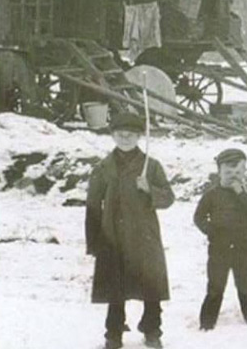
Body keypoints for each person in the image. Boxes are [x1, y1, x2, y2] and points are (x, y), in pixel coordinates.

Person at [85, 112, 175, 349]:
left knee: (151, 286)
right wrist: (93, 241)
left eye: (131, 134)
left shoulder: (151, 166)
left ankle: (152, 330)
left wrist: (150, 190)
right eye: (119, 133)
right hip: (113, 236)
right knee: (115, 288)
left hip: (145, 236)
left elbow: (168, 199)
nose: (125, 137)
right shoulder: (103, 167)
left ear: (139, 136)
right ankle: (113, 333)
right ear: (112, 135)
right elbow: (93, 206)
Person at [194, 148, 247, 330]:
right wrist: (210, 230)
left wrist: (241, 193)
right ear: (218, 172)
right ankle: (207, 322)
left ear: (244, 173)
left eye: (238, 172)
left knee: (245, 284)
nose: (233, 176)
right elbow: (199, 217)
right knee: (216, 284)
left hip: (243, 248)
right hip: (219, 247)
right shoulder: (212, 194)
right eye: (228, 172)